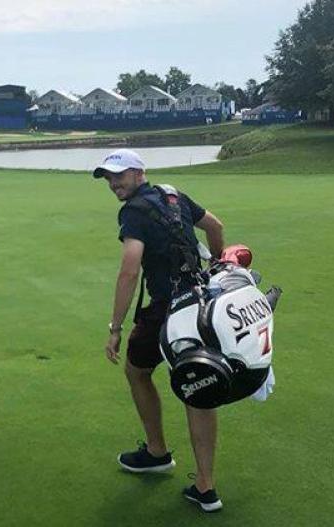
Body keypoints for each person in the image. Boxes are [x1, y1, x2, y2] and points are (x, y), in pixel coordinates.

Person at [93, 149, 226, 512]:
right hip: (201, 303)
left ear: (139, 173)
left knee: (137, 371)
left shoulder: (133, 212)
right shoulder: (173, 195)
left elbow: (129, 270)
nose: (113, 183)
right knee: (197, 385)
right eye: (108, 177)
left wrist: (115, 327)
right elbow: (215, 226)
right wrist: (216, 264)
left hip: (167, 309)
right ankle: (205, 487)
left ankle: (156, 452)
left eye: (119, 175)